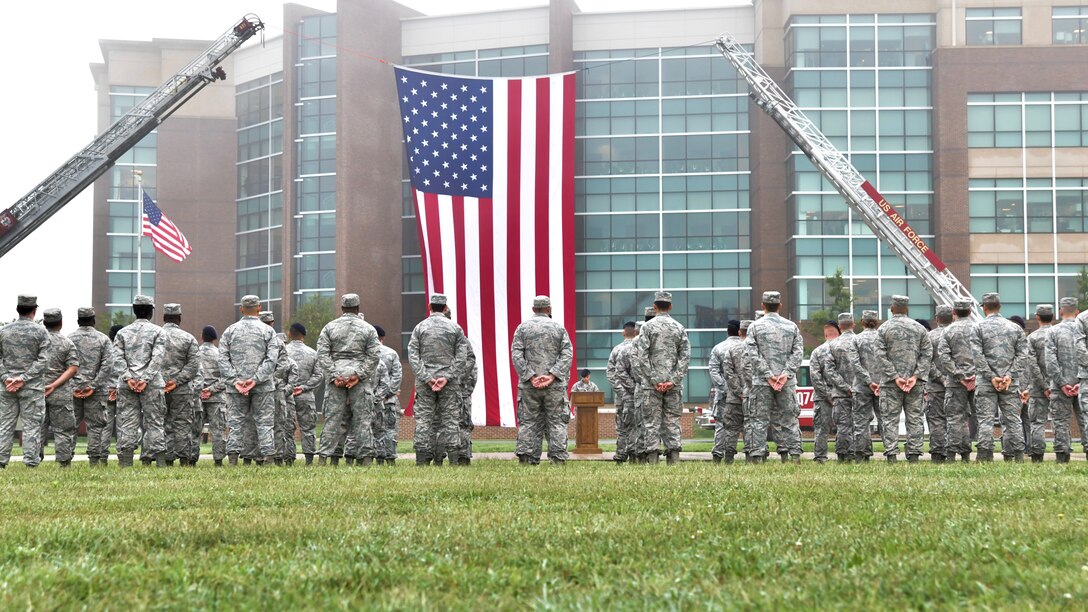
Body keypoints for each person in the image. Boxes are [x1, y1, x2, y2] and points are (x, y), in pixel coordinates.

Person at [316, 293, 381, 466]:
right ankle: (365, 459)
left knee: (332, 420)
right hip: (359, 379)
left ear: (342, 308)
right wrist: (358, 376)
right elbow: (374, 355)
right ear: (358, 308)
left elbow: (322, 354)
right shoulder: (368, 329)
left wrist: (334, 375)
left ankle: (324, 458)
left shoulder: (329, 327)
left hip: (337, 377)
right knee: (362, 420)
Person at [511, 295, 574, 465]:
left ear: (533, 309)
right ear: (549, 309)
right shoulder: (558, 328)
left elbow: (516, 354)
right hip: (554, 385)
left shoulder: (522, 328)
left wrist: (530, 376)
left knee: (528, 421)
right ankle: (558, 458)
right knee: (556, 422)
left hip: (529, 385)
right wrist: (552, 375)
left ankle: (527, 457)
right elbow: (567, 354)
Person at [219, 295, 279, 466]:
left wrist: (235, 381)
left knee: (235, 422)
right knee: (265, 422)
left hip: (235, 387)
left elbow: (222, 358)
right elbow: (272, 359)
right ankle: (268, 459)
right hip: (263, 385)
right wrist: (256, 379)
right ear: (259, 308)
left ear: (241, 309)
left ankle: (232, 460)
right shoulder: (268, 331)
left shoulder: (230, 331)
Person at [744, 290, 804, 463]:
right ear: (780, 305)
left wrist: (768, 375)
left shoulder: (754, 327)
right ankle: (794, 457)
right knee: (790, 419)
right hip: (787, 383)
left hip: (762, 383)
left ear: (763, 306)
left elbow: (752, 353)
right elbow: (798, 352)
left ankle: (757, 458)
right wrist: (785, 374)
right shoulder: (791, 326)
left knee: (759, 420)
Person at [633, 291, 691, 465]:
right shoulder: (679, 327)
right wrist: (673, 380)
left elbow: (641, 356)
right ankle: (674, 460)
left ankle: (653, 461)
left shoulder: (647, 328)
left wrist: (654, 380)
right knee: (672, 421)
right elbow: (685, 357)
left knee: (651, 422)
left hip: (652, 386)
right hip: (673, 385)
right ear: (670, 306)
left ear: (655, 306)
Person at [874, 296, 932, 463]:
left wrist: (894, 377)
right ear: (907, 309)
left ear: (892, 308)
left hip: (890, 384)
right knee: (915, 418)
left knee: (889, 419)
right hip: (915, 383)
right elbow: (927, 354)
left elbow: (880, 355)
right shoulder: (919, 329)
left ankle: (891, 455)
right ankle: (914, 455)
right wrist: (915, 376)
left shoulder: (883, 329)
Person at [971, 293, 1028, 462]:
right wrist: (1009, 376)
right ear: (999, 307)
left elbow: (977, 355)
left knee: (985, 420)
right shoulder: (1015, 328)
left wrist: (991, 377)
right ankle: (1018, 456)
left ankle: (984, 456)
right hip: (1009, 383)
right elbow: (1023, 355)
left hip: (986, 382)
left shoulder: (978, 327)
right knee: (1013, 420)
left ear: (984, 308)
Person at [113, 295, 167, 467]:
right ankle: (160, 463)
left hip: (127, 385)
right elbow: (158, 357)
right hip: (152, 385)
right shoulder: (159, 332)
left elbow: (117, 358)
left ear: (134, 311)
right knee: (155, 423)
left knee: (127, 423)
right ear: (151, 311)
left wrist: (129, 378)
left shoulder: (122, 333)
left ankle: (127, 463)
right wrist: (145, 378)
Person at [0, 295, 50, 469]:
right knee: (32, 426)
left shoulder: (4, 331)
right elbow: (44, 360)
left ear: (17, 310)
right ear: (34, 311)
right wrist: (24, 378)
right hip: (32, 387)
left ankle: (1, 462)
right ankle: (30, 462)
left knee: (5, 424)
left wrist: (6, 377)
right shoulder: (41, 332)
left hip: (6, 386)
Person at [936, 299, 980, 462]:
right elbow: (986, 355)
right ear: (970, 311)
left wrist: (959, 376)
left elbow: (944, 357)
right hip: (978, 381)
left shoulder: (947, 331)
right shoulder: (979, 328)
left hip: (955, 383)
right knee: (982, 417)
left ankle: (952, 454)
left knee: (955, 418)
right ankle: (980, 453)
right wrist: (974, 376)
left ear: (954, 312)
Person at [68, 307, 113, 467]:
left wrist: (74, 386)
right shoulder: (103, 340)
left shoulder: (69, 339)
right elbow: (108, 365)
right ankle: (94, 461)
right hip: (97, 391)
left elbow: (63, 365)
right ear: (93, 320)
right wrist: (93, 386)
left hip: (72, 390)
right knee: (96, 427)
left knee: (70, 426)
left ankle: (66, 460)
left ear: (78, 321)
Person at [159, 303, 200, 467]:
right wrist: (176, 381)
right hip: (182, 389)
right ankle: (184, 459)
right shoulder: (189, 338)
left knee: (161, 423)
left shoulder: (155, 336)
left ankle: (166, 459)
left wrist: (162, 382)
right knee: (182, 424)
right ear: (179, 318)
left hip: (158, 388)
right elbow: (193, 365)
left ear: (163, 317)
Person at [40, 308, 79, 467]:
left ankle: (34, 460)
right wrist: (55, 384)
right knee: (63, 429)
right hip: (60, 392)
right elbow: (73, 368)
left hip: (37, 391)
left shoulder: (37, 341)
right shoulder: (67, 343)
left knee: (37, 428)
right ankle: (64, 462)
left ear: (44, 323)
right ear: (61, 323)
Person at [260, 311, 296, 466]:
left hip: (260, 388)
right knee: (277, 425)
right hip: (275, 390)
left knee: (261, 424)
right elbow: (283, 366)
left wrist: (257, 381)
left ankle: (262, 458)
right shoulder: (276, 343)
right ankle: (277, 458)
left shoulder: (254, 341)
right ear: (272, 323)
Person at [1047, 297, 1081, 463]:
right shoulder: (1085, 331)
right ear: (1078, 312)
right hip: (1084, 384)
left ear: (1061, 312)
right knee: (1086, 420)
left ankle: (1062, 456)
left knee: (1061, 422)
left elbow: (1050, 361)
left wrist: (1062, 383)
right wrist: (1081, 383)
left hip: (1060, 387)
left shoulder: (1052, 332)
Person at [708, 320, 744, 464]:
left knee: (722, 425)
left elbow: (713, 371)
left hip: (724, 395)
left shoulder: (718, 348)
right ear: (740, 332)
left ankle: (718, 456)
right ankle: (752, 455)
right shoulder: (747, 347)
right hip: (745, 394)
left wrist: (725, 388)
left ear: (727, 331)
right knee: (748, 424)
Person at [285, 323, 321, 465]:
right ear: (304, 336)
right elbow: (318, 376)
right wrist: (304, 387)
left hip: (287, 396)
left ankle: (288, 459)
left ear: (289, 334)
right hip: (305, 396)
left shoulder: (283, 352)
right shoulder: (313, 353)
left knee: (287, 428)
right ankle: (309, 460)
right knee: (308, 429)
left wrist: (288, 387)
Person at [850, 310, 882, 461]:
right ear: (877, 322)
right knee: (886, 420)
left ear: (862, 322)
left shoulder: (856, 340)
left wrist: (868, 382)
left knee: (861, 422)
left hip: (862, 387)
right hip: (883, 387)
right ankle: (891, 454)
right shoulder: (883, 338)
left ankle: (862, 455)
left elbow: (855, 364)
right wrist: (880, 383)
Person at [828, 312, 859, 462]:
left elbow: (829, 370)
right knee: (860, 424)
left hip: (840, 393)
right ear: (853, 324)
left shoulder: (833, 344)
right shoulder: (861, 341)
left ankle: (842, 455)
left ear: (839, 326)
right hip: (861, 391)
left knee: (842, 425)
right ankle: (860, 454)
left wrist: (844, 387)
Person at [1023, 306, 1053, 462]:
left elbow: (1032, 365)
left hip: (1038, 388)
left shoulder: (1032, 338)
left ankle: (1037, 456)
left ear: (1037, 317)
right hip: (1062, 387)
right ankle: (1063, 453)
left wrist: (1044, 386)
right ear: (1054, 316)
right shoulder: (1062, 334)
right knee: (1062, 421)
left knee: (1037, 422)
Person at [606, 321, 638, 463]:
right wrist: (636, 389)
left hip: (622, 397)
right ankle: (636, 455)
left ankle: (621, 455)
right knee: (639, 426)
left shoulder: (617, 350)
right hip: (641, 395)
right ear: (637, 332)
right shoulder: (642, 348)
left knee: (622, 427)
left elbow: (611, 374)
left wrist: (623, 393)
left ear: (623, 332)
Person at [196, 325, 228, 467]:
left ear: (202, 337)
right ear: (215, 338)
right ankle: (218, 461)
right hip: (217, 399)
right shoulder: (220, 354)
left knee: (194, 429)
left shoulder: (195, 353)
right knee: (218, 431)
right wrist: (211, 390)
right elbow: (227, 378)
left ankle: (191, 460)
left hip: (197, 397)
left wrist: (201, 390)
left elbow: (191, 374)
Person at [924, 305, 953, 463]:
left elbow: (926, 362)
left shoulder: (929, 337)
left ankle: (937, 454)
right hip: (958, 386)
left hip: (935, 387)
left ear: (936, 318)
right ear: (952, 317)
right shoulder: (958, 334)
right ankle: (954, 452)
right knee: (956, 419)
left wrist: (941, 378)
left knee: (936, 420)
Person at [809, 320, 840, 463]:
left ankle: (820, 457)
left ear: (825, 333)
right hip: (844, 395)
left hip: (822, 398)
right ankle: (845, 454)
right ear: (838, 332)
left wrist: (826, 395)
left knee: (821, 429)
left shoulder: (817, 352)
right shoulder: (846, 349)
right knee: (846, 426)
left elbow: (815, 377)